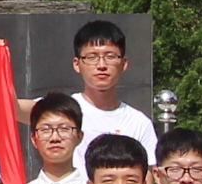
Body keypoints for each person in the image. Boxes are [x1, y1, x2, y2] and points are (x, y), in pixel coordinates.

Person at [68, 19, 159, 158]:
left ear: (124, 64)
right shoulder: (61, 111)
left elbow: (148, 171)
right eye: (92, 57)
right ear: (77, 64)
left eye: (110, 56)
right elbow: (29, 108)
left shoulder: (139, 123)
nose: (101, 65)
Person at [14, 93, 96, 184]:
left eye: (64, 129)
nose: (55, 138)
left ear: (79, 136)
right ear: (34, 139)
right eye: (46, 130)